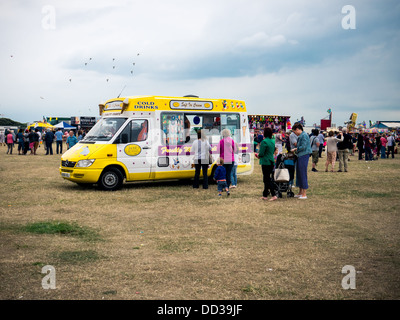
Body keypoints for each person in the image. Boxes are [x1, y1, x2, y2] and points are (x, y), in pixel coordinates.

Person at [255, 127, 277, 201]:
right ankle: (265, 195)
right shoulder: (272, 141)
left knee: (267, 179)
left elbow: (261, 153)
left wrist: (257, 155)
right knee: (266, 178)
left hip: (265, 162)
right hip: (271, 161)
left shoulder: (264, 142)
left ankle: (273, 195)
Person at [291, 123, 312, 199]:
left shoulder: (304, 135)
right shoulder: (301, 136)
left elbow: (303, 146)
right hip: (300, 155)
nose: (294, 133)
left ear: (297, 129)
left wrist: (296, 149)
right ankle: (300, 192)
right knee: (299, 173)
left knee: (302, 173)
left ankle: (304, 194)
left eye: (294, 131)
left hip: (304, 155)